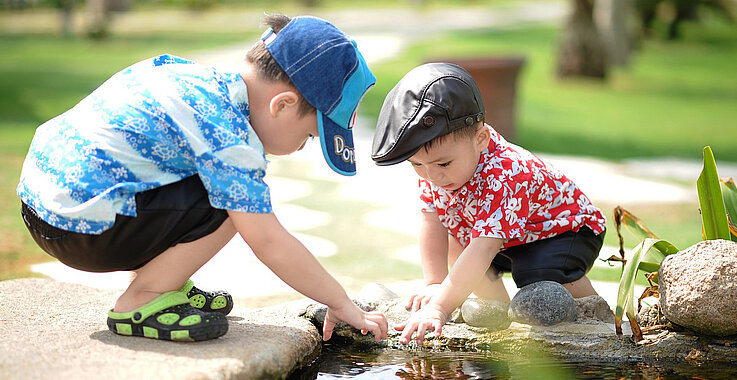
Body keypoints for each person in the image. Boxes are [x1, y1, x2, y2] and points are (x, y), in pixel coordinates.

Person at [17, 14, 388, 343]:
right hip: (80, 229)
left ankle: (166, 282)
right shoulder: (229, 135)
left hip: (43, 204)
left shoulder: (193, 78)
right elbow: (268, 242)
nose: (300, 148)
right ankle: (142, 300)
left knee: (220, 186)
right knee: (236, 204)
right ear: (283, 105)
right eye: (309, 137)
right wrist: (340, 302)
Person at [371, 63, 606, 344]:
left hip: (565, 231)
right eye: (417, 165)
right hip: (506, 236)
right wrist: (435, 283)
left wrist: (439, 307)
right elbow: (431, 220)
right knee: (458, 244)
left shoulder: (507, 172)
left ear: (480, 138)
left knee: (537, 274)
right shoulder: (437, 171)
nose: (432, 176)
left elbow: (484, 247)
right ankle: (499, 317)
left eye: (443, 163)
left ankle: (596, 316)